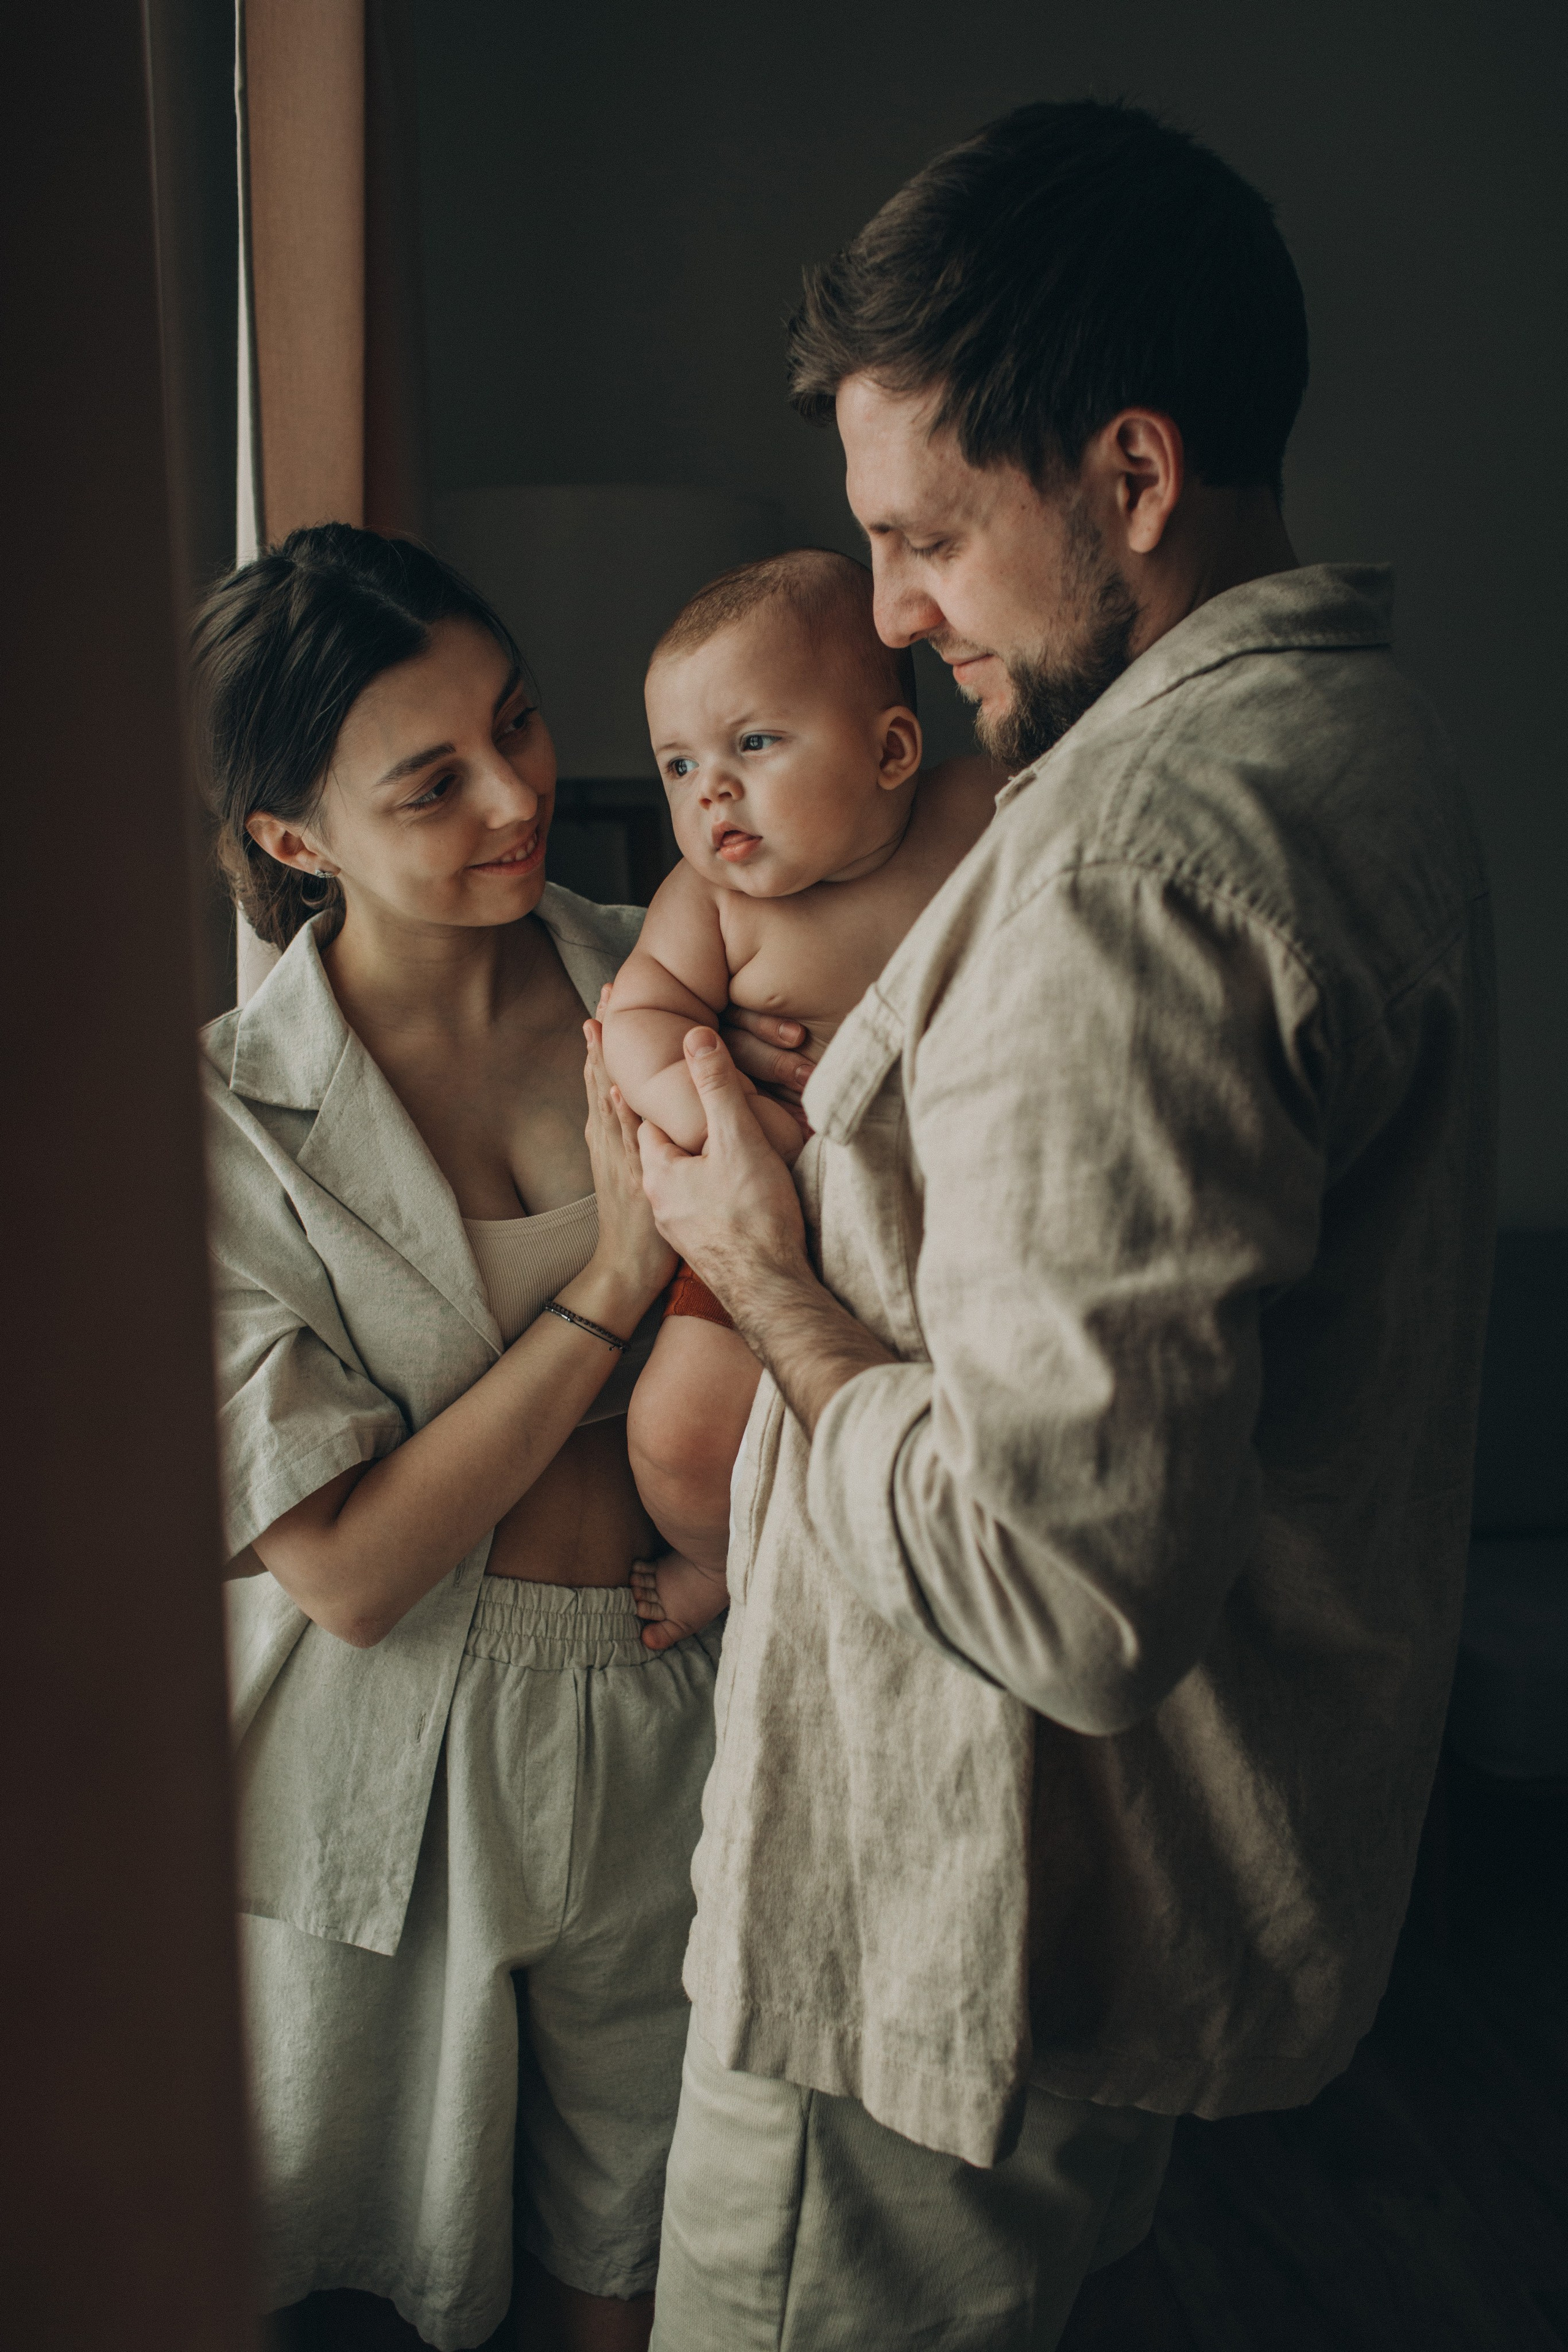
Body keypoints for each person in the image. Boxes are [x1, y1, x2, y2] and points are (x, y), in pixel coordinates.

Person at [632, 99, 1498, 2351]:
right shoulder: (1362, 734)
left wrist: (762, 1265)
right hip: (1102, 1933)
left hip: (946, 1953)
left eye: (924, 537)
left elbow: (1065, 1587)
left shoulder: (1134, 864)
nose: (896, 620)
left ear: (1129, 476)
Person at [196, 525, 719, 2352]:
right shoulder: (221, 1122)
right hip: (386, 1745)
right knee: (365, 2279)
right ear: (292, 838)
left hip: (683, 1688)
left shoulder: (673, 989)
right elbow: (344, 1565)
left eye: (516, 720)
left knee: (650, 2265)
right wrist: (616, 1280)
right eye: (432, 780)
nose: (518, 793)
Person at [602, 548, 997, 1646]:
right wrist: (734, 1120)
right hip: (771, 1202)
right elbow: (636, 1022)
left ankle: (894, 1551)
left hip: (954, 1203)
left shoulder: (978, 814)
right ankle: (723, 1559)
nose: (710, 790)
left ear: (891, 750)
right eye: (677, 767)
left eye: (754, 744)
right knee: (677, 1436)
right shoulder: (708, 903)